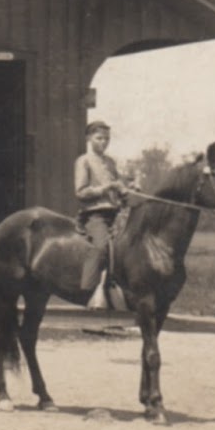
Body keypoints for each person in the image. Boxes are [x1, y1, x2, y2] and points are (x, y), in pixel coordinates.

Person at [73, 120, 135, 309]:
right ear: (88, 138)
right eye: (99, 138)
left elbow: (118, 186)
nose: (104, 142)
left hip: (115, 214)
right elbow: (81, 192)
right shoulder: (83, 161)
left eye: (107, 139)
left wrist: (128, 189)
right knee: (100, 248)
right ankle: (87, 291)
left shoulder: (110, 162)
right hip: (95, 215)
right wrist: (107, 187)